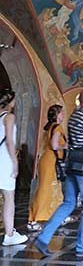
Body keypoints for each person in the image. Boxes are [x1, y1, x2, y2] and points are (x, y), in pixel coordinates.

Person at [34, 88, 83, 257]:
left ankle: (43, 237)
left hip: (71, 163)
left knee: (69, 203)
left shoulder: (73, 117)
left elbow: (71, 141)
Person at [27, 105, 69, 231]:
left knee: (52, 188)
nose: (63, 115)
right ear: (56, 115)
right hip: (50, 162)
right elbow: (54, 145)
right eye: (61, 113)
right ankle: (34, 218)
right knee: (45, 189)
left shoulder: (50, 127)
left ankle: (56, 216)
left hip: (48, 161)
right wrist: (65, 145)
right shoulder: (57, 127)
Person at [0, 88, 28, 246]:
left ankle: (10, 233)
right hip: (4, 160)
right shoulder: (9, 117)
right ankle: (9, 235)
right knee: (9, 198)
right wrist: (15, 162)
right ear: (10, 101)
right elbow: (10, 141)